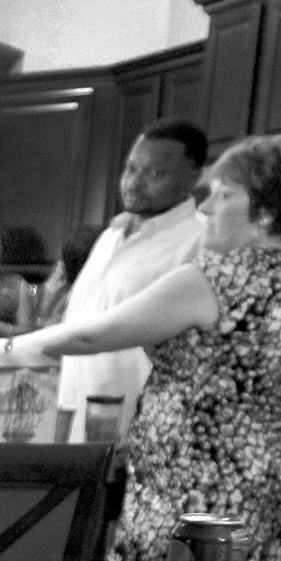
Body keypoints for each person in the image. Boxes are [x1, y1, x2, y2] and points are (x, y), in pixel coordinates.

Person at [0, 134, 281, 561]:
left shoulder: (212, 278)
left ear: (265, 211)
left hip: (193, 495)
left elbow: (96, 335)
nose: (206, 208)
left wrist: (0, 350)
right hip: (269, 487)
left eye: (223, 195)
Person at [56, 117, 209, 442]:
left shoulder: (202, 241)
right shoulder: (111, 235)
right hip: (78, 423)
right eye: (131, 169)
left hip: (142, 434)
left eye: (155, 173)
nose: (134, 183)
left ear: (193, 178)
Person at [33, 223, 105, 327]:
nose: (58, 264)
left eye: (62, 258)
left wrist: (46, 300)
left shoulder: (71, 300)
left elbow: (48, 335)